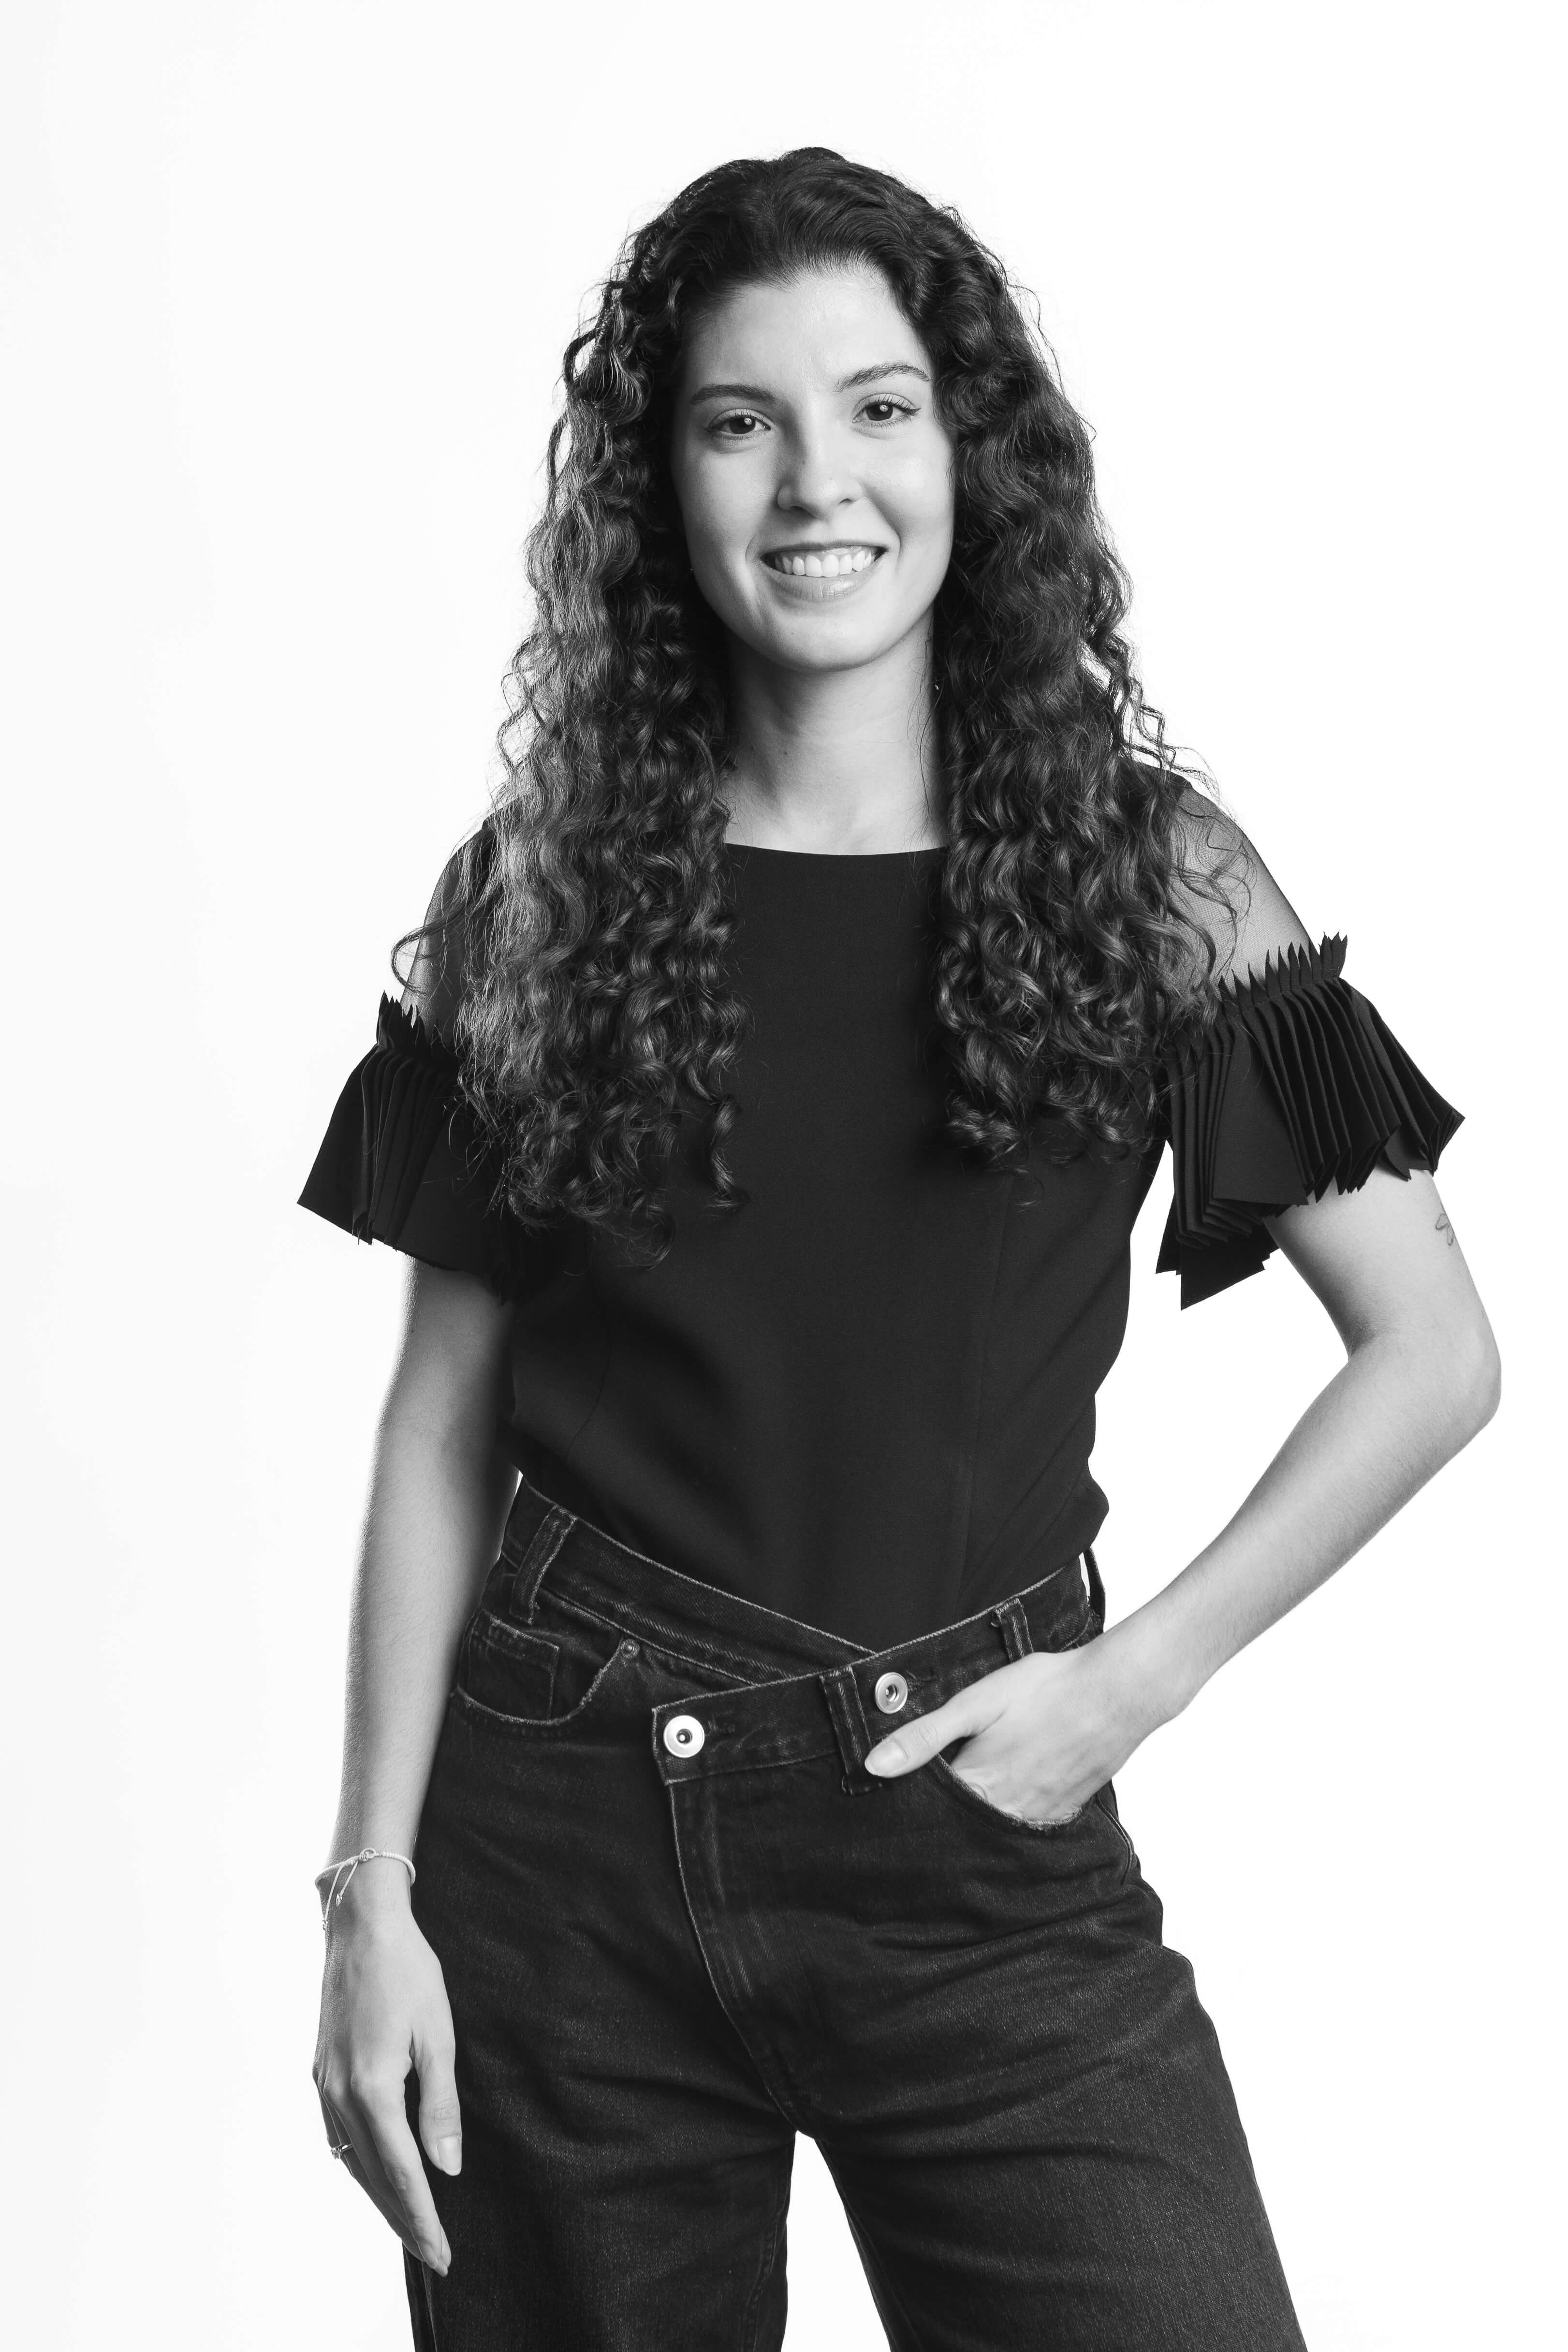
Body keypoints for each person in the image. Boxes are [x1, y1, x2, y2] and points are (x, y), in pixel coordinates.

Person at [301, 148, 1497, 2351]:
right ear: (660, 483)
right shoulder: (539, 893)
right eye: (739, 421)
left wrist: (1136, 1681)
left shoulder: (1152, 879)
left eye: (876, 408)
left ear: (970, 453)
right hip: (559, 1845)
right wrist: (367, 1899)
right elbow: (439, 1418)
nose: (813, 484)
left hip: (979, 1835)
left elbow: (1429, 1350)